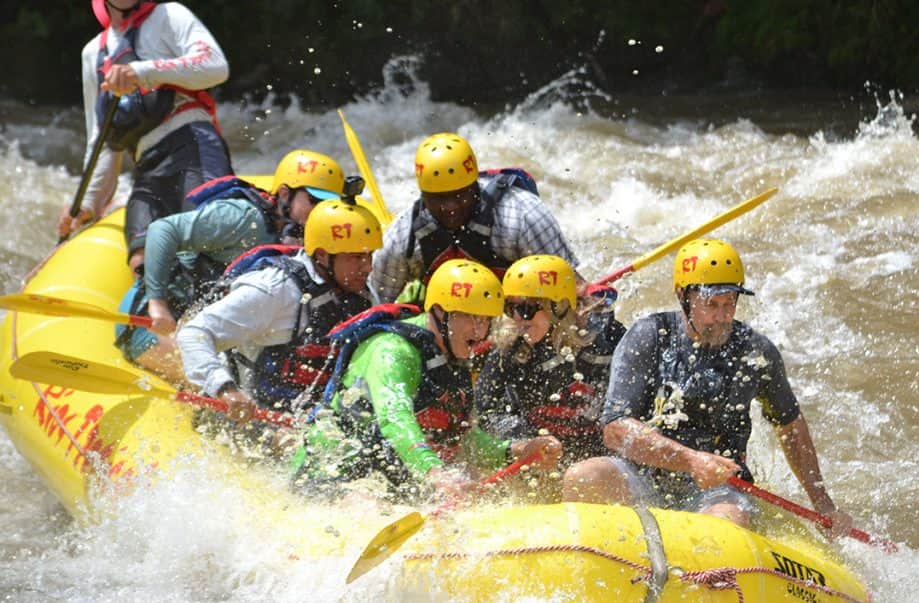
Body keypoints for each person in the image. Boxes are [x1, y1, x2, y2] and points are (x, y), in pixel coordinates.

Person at [563, 239, 853, 537]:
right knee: (583, 477)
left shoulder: (756, 352)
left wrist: (823, 504)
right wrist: (691, 460)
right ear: (683, 296)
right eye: (711, 304)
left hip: (718, 491)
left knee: (727, 521)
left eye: (729, 304)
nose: (722, 316)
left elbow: (789, 426)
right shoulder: (649, 336)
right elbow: (616, 429)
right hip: (643, 476)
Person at [291, 259, 562, 501]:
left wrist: (518, 450)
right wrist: (435, 472)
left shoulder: (451, 357)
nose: (479, 331)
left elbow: (461, 440)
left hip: (385, 473)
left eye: (486, 320)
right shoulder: (393, 351)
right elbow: (395, 417)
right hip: (327, 474)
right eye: (470, 317)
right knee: (366, 502)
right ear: (439, 312)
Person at [58, 0, 233, 272]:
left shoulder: (169, 16)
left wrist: (142, 71)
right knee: (140, 256)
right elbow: (103, 140)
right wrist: (88, 204)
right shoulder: (93, 53)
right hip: (148, 167)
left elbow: (216, 66)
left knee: (207, 244)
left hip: (191, 146)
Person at [114, 150, 348, 382]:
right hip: (150, 324)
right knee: (226, 384)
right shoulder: (243, 218)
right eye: (314, 202)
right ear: (285, 194)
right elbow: (162, 229)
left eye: (329, 204)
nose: (322, 211)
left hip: (204, 323)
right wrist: (157, 305)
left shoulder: (301, 236)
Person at [177, 199, 382, 421]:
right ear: (323, 255)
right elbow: (194, 333)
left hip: (307, 414)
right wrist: (226, 390)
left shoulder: (360, 295)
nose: (368, 267)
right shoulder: (276, 289)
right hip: (248, 412)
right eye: (356, 257)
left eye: (369, 255)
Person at [369, 132, 580, 304]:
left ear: (475, 187)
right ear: (423, 197)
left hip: (518, 316)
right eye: (438, 198)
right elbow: (376, 304)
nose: (450, 207)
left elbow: (573, 289)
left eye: (459, 195)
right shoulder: (403, 235)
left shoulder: (524, 216)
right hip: (449, 325)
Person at [475, 255, 625, 481]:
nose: (517, 318)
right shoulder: (508, 351)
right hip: (543, 455)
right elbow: (484, 415)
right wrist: (523, 442)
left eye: (526, 308)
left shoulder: (606, 339)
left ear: (559, 306)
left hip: (597, 458)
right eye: (510, 307)